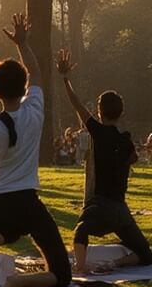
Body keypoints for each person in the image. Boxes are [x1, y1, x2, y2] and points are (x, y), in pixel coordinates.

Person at [0, 14, 71, 287]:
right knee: (62, 275)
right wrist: (23, 43)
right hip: (27, 203)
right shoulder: (34, 111)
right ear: (24, 88)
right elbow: (36, 71)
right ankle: (16, 281)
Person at [56, 49, 152, 273]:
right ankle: (115, 264)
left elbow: (77, 104)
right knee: (146, 254)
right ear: (121, 112)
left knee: (81, 230)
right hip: (121, 211)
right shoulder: (126, 142)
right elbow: (134, 158)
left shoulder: (98, 132)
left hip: (100, 205)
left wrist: (64, 77)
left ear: (99, 112)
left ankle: (80, 268)